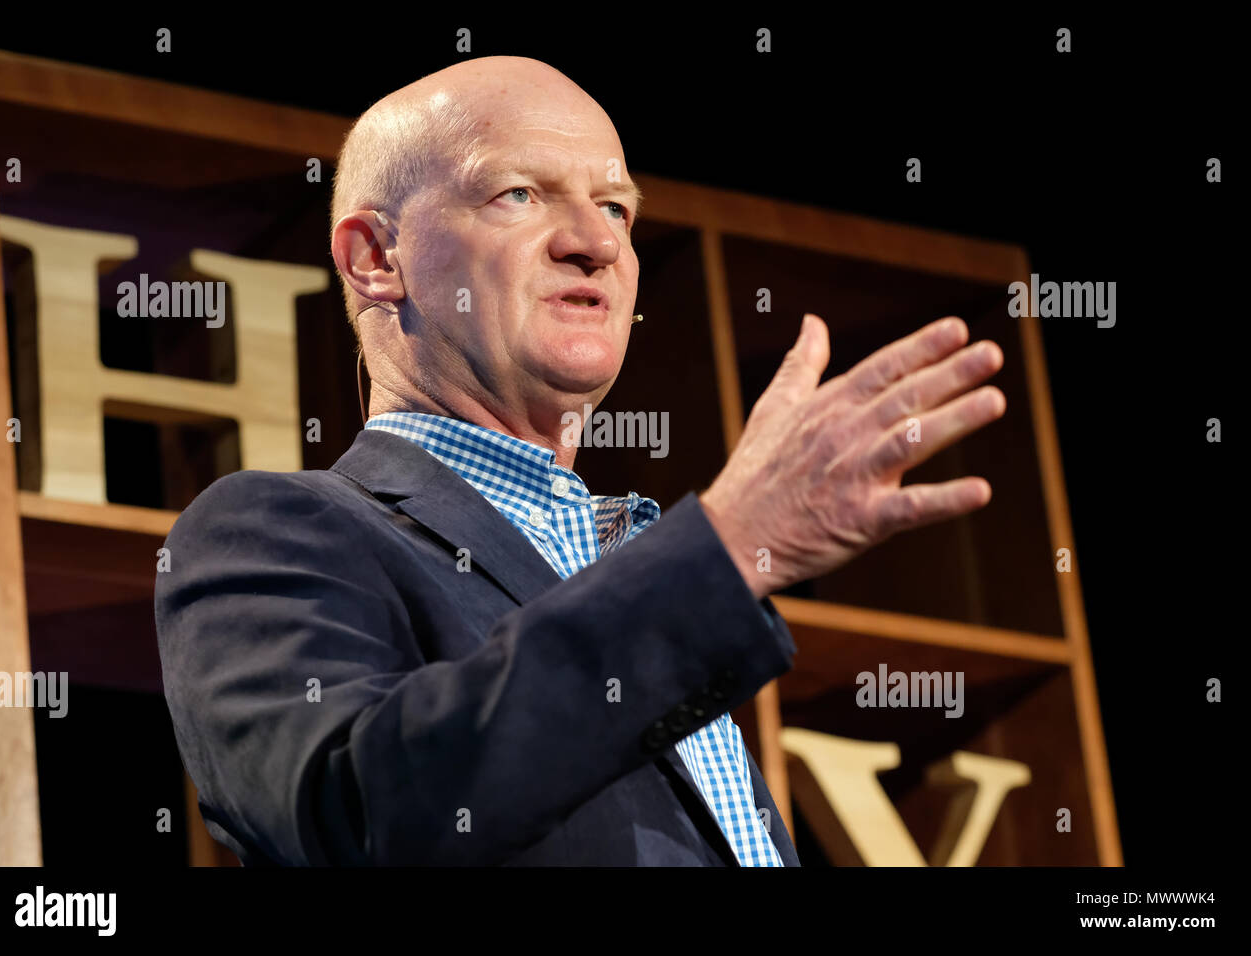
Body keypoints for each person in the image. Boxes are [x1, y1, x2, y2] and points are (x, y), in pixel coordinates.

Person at [154, 55, 1006, 866]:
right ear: (376, 259)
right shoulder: (269, 532)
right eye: (518, 193)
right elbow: (358, 814)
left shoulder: (635, 571)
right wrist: (730, 539)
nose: (594, 243)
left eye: (617, 209)